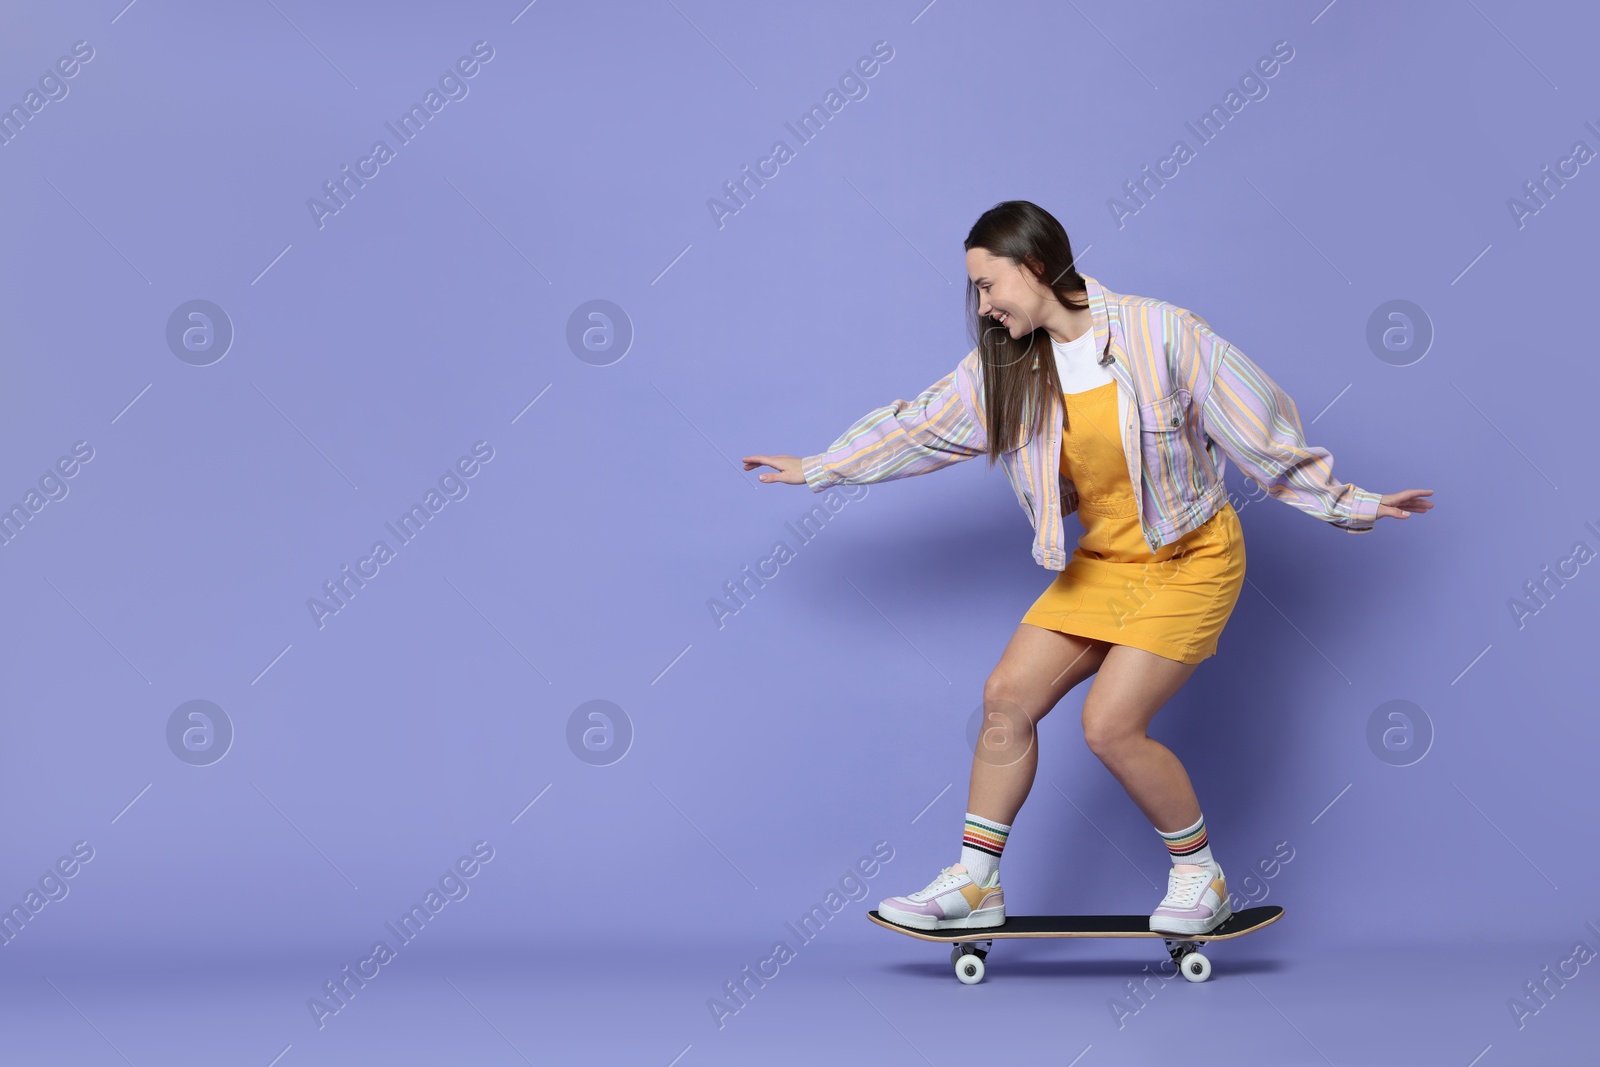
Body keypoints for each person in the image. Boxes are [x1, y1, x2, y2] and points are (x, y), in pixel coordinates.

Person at [741, 200, 1433, 936]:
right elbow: (922, 426)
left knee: (1109, 724)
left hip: (1192, 557)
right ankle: (976, 884)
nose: (981, 305)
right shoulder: (1005, 367)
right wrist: (819, 467)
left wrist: (1349, 502)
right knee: (1006, 697)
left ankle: (1202, 879)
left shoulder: (1159, 332)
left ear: (1034, 267)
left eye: (988, 285)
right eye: (974, 291)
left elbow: (1255, 423)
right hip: (1106, 561)